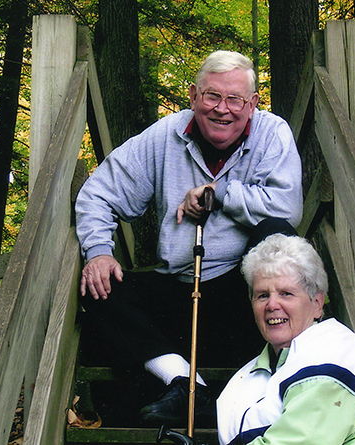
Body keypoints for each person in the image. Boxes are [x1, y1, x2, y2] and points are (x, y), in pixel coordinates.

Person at [75, 50, 303, 424]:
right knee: (98, 284)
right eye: (212, 96)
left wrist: (218, 194)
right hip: (177, 290)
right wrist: (99, 250)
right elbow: (99, 192)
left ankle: (285, 373)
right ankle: (184, 381)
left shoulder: (272, 132)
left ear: (253, 104)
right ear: (194, 96)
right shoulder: (165, 135)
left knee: (275, 236)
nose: (222, 109)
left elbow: (286, 208)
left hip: (244, 298)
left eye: (235, 99)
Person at [216, 234, 355, 444]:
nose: (272, 305)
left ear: (317, 303)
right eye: (262, 295)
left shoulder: (334, 354)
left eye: (286, 293)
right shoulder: (247, 376)